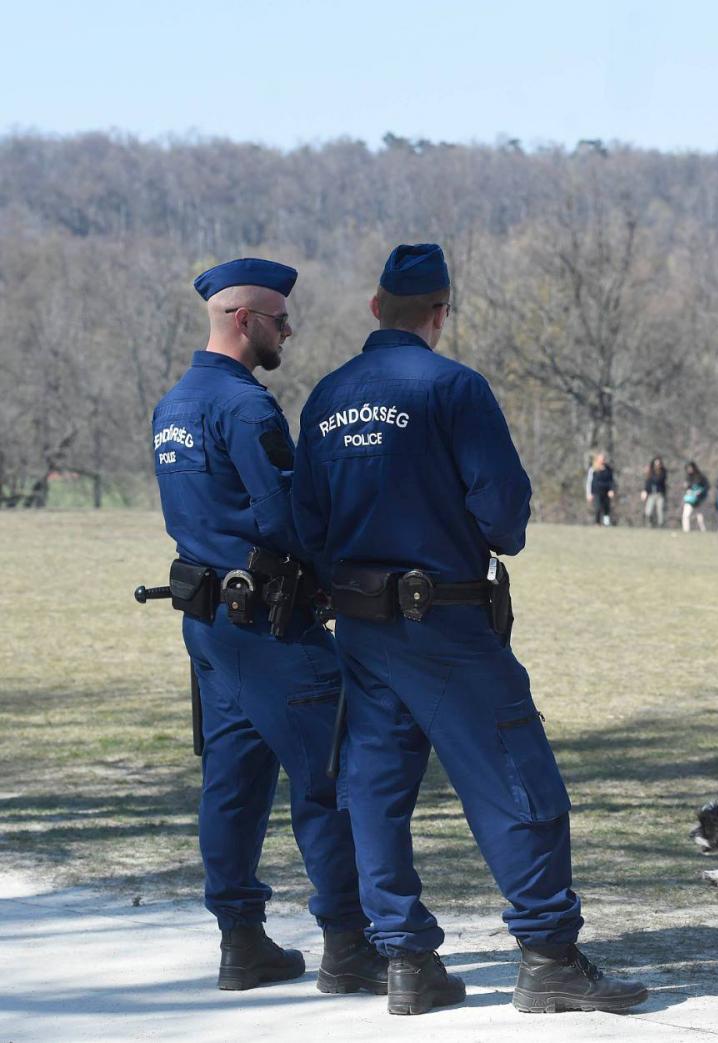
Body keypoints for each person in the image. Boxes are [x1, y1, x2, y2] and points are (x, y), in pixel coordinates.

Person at [292, 244, 647, 1016]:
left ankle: (408, 960)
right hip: (443, 621)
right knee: (517, 777)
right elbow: (503, 519)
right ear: (441, 313)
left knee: (375, 789)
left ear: (375, 307)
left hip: (358, 622)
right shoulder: (454, 387)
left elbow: (307, 521)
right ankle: (550, 953)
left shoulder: (325, 396)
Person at [150, 259, 383, 995]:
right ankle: (349, 945)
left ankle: (241, 943)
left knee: (232, 784)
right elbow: (286, 518)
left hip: (211, 624)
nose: (290, 330)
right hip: (273, 630)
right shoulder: (246, 409)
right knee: (328, 779)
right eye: (281, 319)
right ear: (244, 319)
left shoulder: (174, 405)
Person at [585, 452, 616, 526]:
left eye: (603, 459)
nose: (602, 460)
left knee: (606, 508)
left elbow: (611, 481)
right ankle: (597, 523)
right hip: (596, 492)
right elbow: (589, 482)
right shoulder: (593, 469)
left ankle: (606, 523)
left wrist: (611, 490)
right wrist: (588, 494)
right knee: (598, 507)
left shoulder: (608, 469)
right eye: (601, 459)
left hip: (606, 491)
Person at [640, 456, 668, 528]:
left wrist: (652, 474)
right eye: (656, 464)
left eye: (658, 464)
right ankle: (650, 525)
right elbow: (647, 483)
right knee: (648, 511)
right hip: (651, 494)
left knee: (660, 511)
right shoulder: (650, 473)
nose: (657, 466)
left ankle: (661, 526)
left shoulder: (663, 472)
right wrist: (644, 491)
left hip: (659, 494)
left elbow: (658, 480)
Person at [682, 461, 710, 532]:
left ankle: (703, 530)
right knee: (686, 515)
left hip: (699, 499)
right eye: (687, 468)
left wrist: (700, 491)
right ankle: (686, 530)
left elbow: (707, 486)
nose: (689, 470)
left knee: (700, 517)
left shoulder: (700, 476)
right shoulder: (687, 477)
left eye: (690, 468)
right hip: (690, 499)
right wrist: (687, 488)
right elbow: (687, 487)